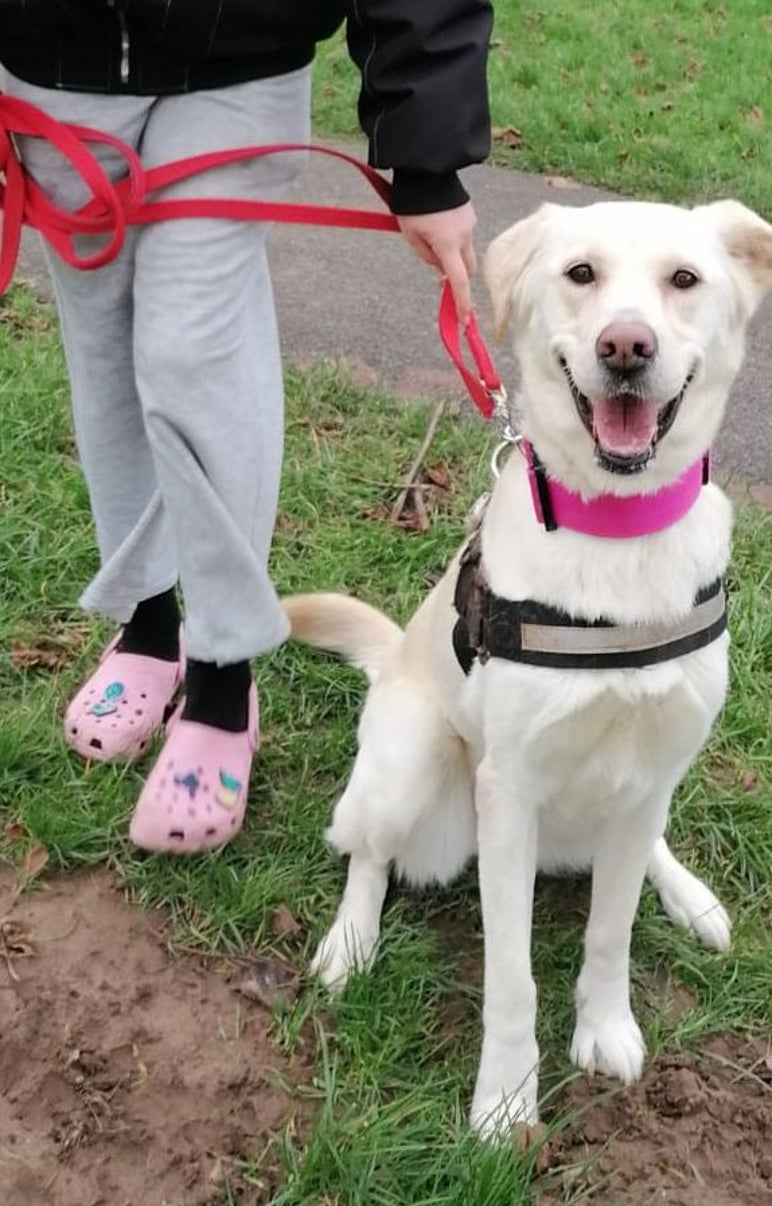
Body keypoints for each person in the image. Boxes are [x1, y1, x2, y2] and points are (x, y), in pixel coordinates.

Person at [0, 1, 492, 852]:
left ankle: (224, 678)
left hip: (238, 56)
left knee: (191, 354)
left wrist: (427, 158)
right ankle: (150, 632)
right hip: (51, 65)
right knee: (107, 357)